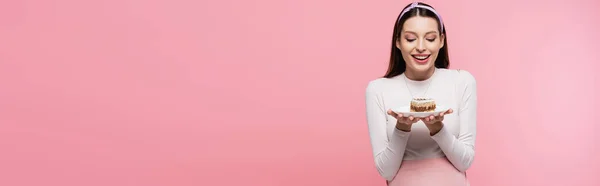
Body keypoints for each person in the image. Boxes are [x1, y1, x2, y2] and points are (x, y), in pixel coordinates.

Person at [365, 2, 477, 186]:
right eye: (410, 39)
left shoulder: (462, 81)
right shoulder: (378, 89)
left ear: (441, 40)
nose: (421, 47)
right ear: (398, 41)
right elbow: (386, 171)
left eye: (430, 38)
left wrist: (437, 129)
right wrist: (401, 128)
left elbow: (465, 162)